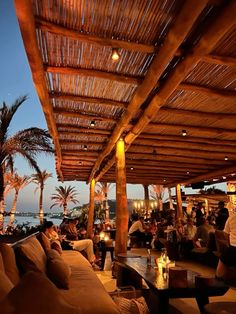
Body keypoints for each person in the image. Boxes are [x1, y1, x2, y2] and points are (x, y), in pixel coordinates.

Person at [216, 211, 236, 279]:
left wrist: (228, 244)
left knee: (219, 274)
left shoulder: (232, 217)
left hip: (233, 249)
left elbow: (225, 233)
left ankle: (218, 279)